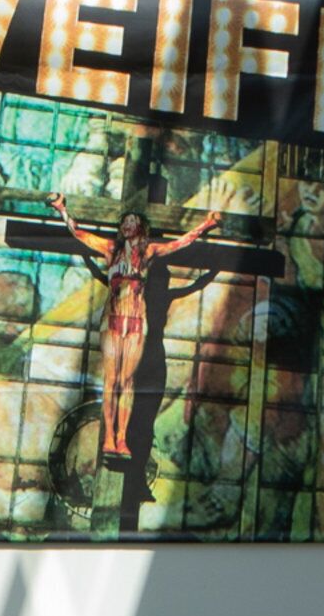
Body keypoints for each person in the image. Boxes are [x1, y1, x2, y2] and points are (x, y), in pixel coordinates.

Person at [47, 196, 229, 459]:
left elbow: (180, 243)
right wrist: (62, 209)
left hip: (136, 322)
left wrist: (206, 226)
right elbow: (79, 234)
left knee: (128, 381)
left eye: (132, 221)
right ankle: (109, 437)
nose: (127, 225)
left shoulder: (149, 252)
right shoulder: (111, 249)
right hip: (112, 320)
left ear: (141, 226)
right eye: (124, 222)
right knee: (112, 381)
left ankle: (122, 439)